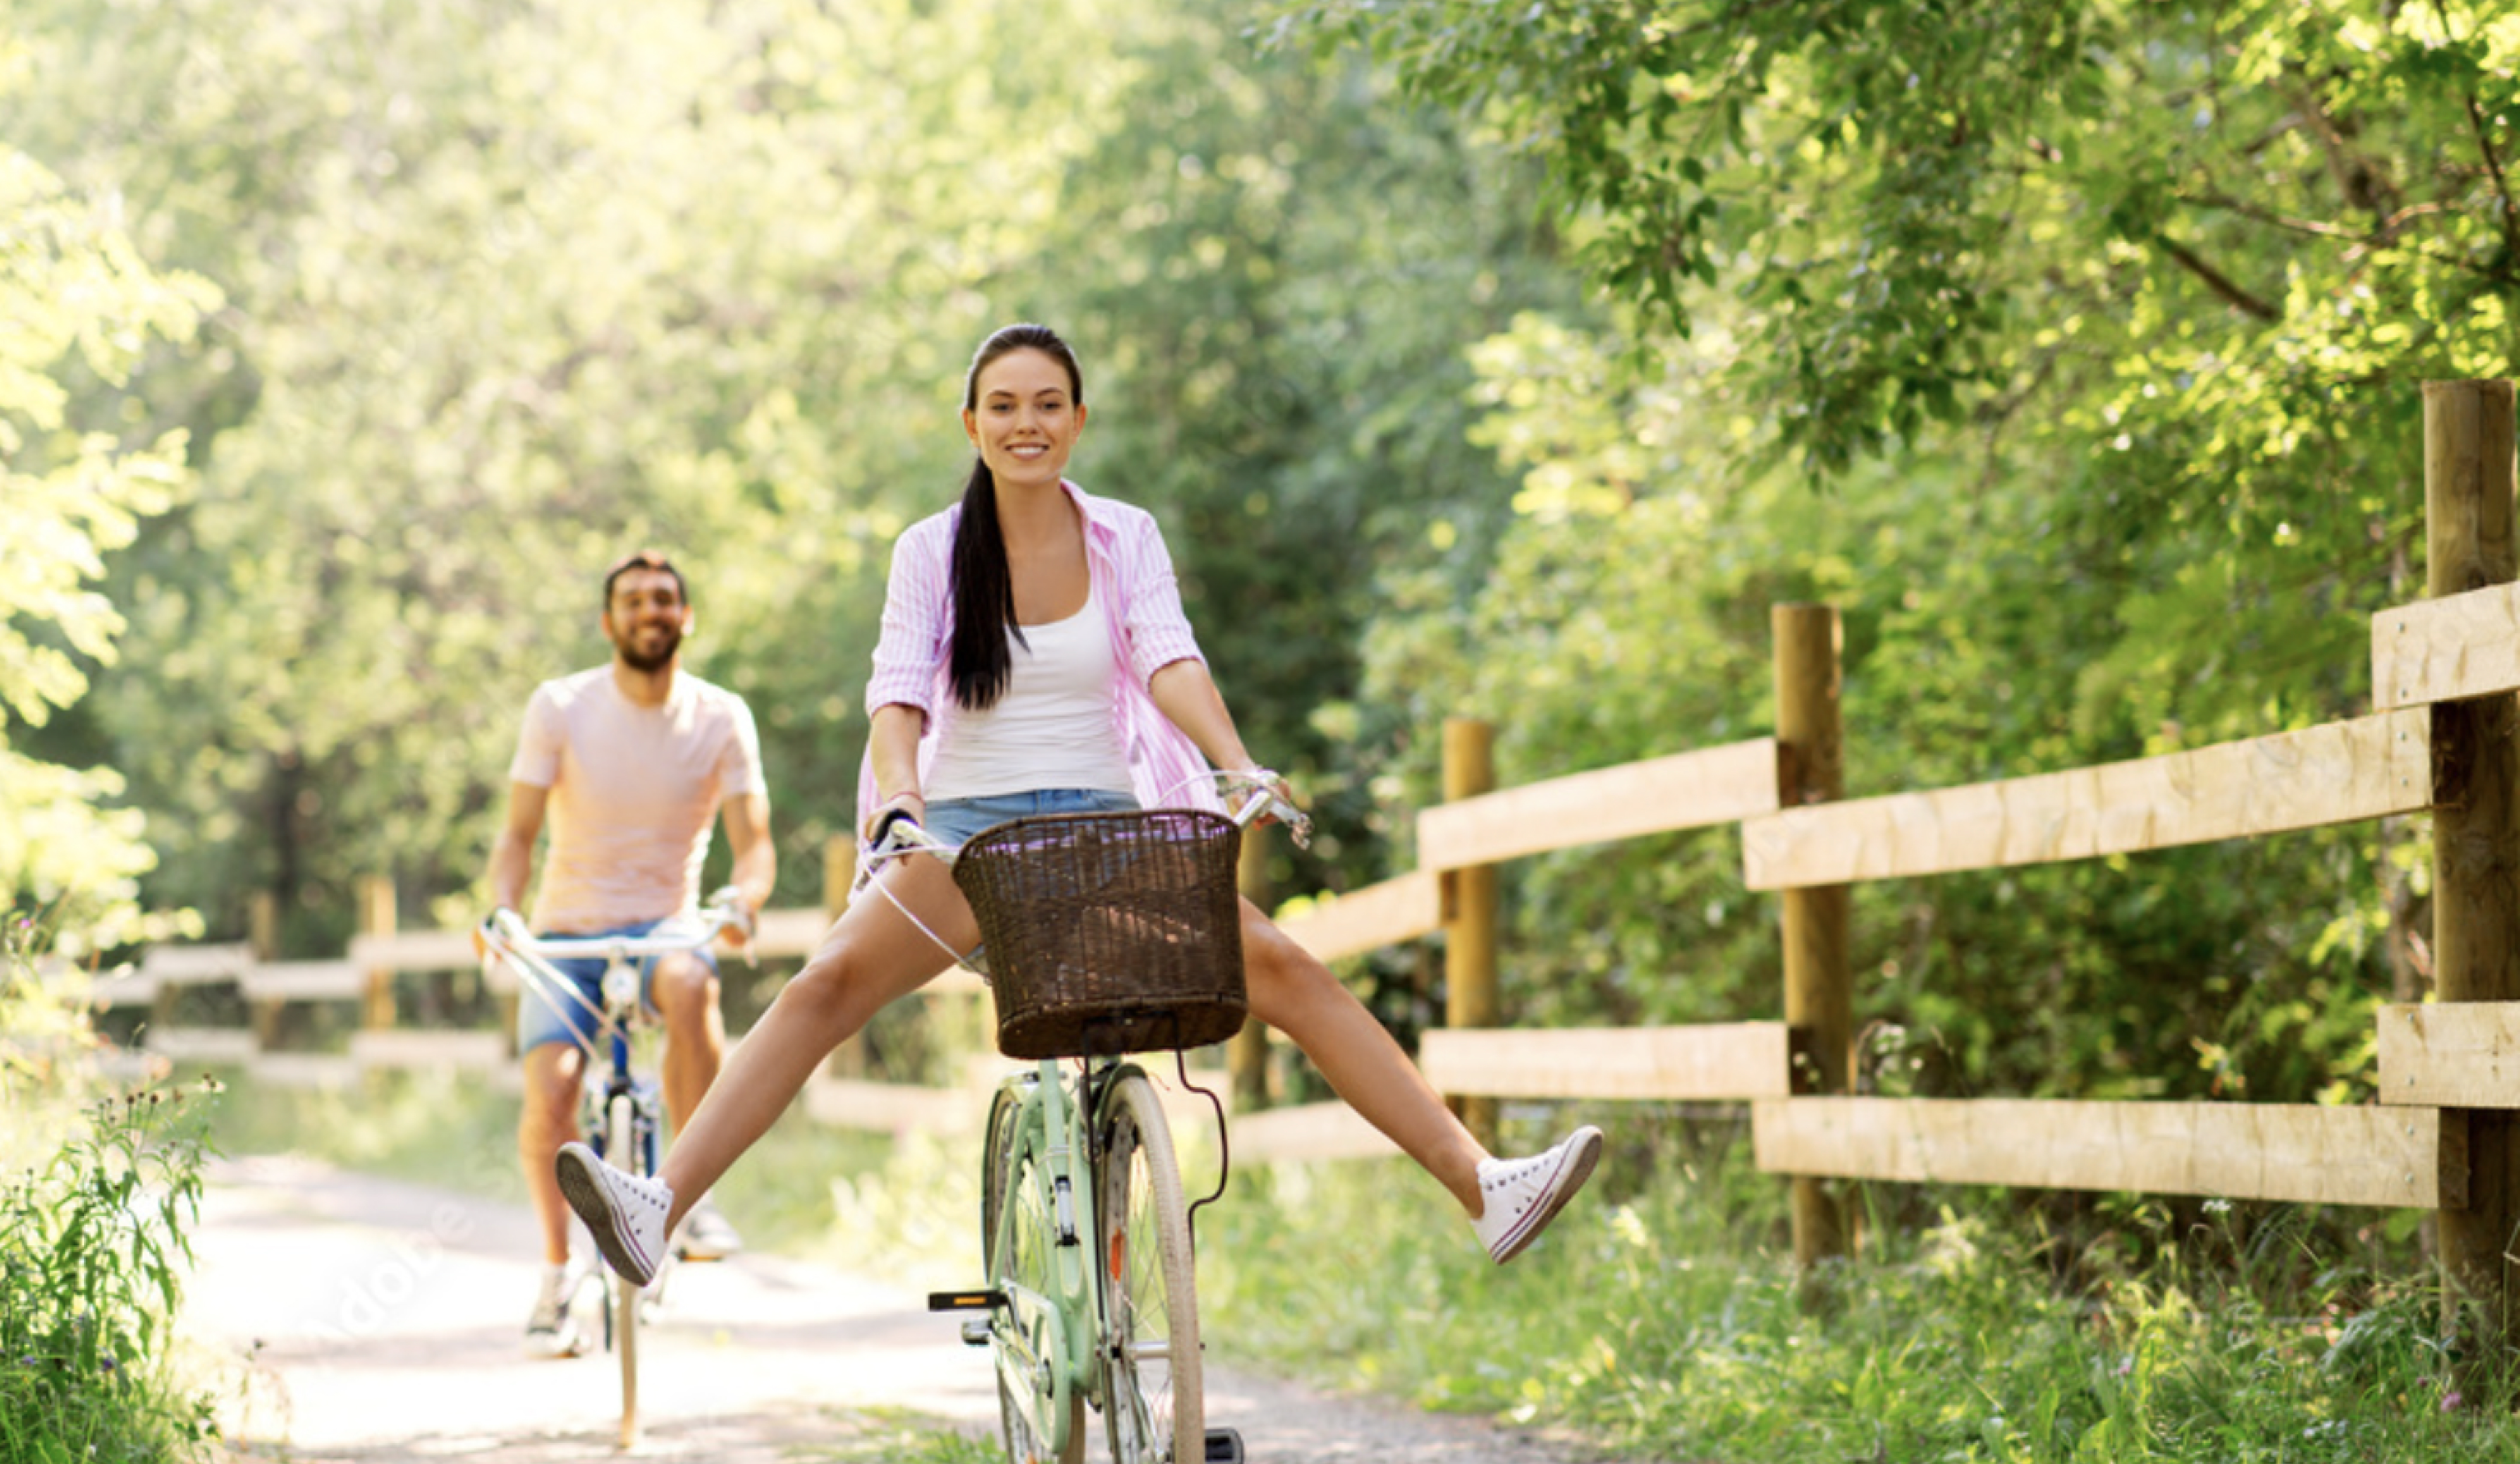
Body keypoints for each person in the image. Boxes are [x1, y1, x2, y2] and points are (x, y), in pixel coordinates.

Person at [555, 323, 1600, 1290]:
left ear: (1079, 420)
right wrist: (904, 803)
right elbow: (897, 693)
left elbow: (1167, 655)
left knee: (1278, 962)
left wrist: (1235, 761)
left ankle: (1485, 1187)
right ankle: (659, 1205)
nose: (1027, 424)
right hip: (966, 836)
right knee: (825, 983)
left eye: (1049, 403)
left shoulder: (1124, 534)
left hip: (1105, 824)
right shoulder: (930, 550)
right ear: (972, 425)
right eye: (1003, 405)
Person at [481, 550, 777, 1358]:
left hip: (666, 931)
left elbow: (755, 849)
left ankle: (691, 1191)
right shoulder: (560, 706)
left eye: (665, 599)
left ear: (686, 618)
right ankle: (553, 1275)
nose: (650, 610)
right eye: (633, 600)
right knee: (553, 1097)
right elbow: (516, 836)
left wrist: (740, 903)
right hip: (565, 934)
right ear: (609, 621)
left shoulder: (721, 715)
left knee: (691, 984)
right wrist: (504, 911)